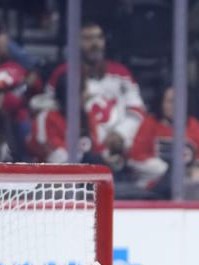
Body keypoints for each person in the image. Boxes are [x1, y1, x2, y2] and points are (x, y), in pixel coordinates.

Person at [43, 21, 145, 168]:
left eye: (98, 37)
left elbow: (136, 110)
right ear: (76, 42)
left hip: (119, 151)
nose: (95, 43)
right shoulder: (63, 74)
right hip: (80, 151)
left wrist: (120, 134)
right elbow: (50, 110)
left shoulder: (121, 73)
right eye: (88, 38)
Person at [128, 86, 199, 197]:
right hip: (151, 191)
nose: (174, 106)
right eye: (170, 101)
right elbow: (136, 157)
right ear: (161, 103)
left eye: (178, 101)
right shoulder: (149, 123)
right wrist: (170, 172)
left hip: (188, 191)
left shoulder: (194, 125)